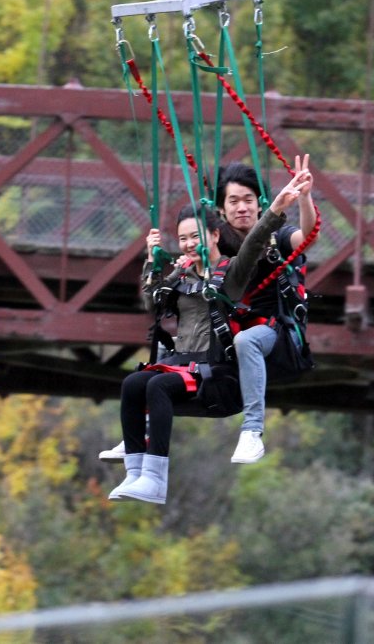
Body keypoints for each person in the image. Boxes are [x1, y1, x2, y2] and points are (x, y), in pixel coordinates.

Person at [108, 169, 314, 505]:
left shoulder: (231, 272)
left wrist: (278, 207)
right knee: (133, 383)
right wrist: (152, 260)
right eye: (184, 239)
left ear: (215, 236)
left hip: (215, 375)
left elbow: (255, 243)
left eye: (196, 237)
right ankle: (136, 470)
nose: (189, 245)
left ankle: (156, 478)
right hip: (186, 365)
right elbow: (153, 300)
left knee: (157, 386)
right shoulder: (184, 272)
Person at [216, 158, 317, 463]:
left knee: (247, 340)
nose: (242, 207)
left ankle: (251, 432)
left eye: (249, 200)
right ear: (221, 210)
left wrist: (305, 198)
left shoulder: (277, 237)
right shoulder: (217, 242)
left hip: (277, 332)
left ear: (261, 206)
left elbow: (308, 238)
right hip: (227, 333)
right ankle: (144, 427)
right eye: (233, 201)